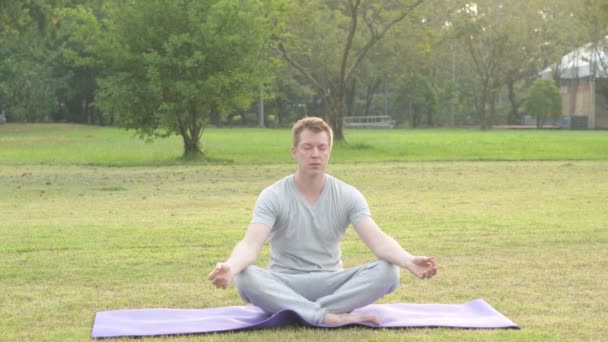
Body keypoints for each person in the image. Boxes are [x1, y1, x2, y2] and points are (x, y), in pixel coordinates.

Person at [208, 117, 437, 326]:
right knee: (246, 278)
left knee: (388, 272)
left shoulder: (348, 195)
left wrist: (408, 261)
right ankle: (328, 317)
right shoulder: (273, 195)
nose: (315, 154)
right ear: (295, 152)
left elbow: (379, 241)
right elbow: (250, 245)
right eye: (307, 147)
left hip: (332, 283)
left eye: (321, 147)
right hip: (285, 283)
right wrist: (231, 267)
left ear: (329, 151)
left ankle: (303, 312)